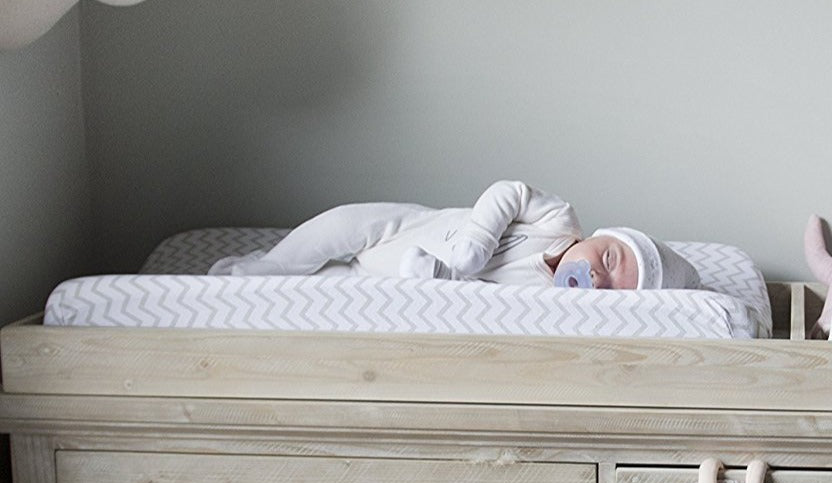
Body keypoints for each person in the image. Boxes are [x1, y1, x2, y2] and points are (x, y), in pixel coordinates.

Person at [209, 180, 701, 291]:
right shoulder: (560, 223)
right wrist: (475, 246)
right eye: (611, 259)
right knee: (335, 228)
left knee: (336, 278)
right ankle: (262, 268)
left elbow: (478, 297)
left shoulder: (549, 303)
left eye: (612, 290)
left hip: (403, 271)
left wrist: (443, 276)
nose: (598, 275)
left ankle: (277, 281)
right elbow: (508, 192)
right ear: (601, 236)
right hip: (407, 227)